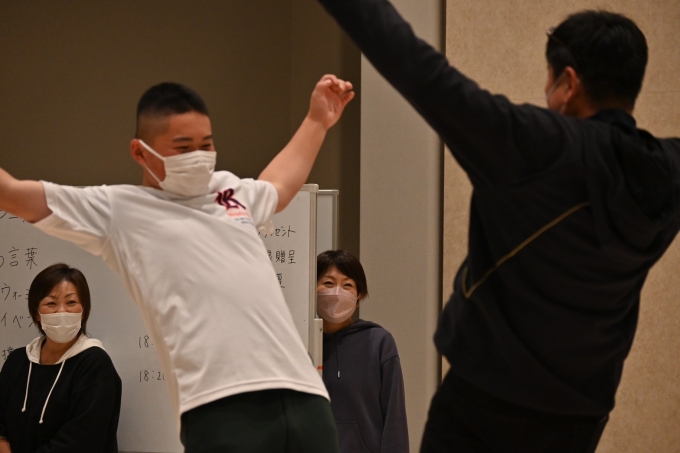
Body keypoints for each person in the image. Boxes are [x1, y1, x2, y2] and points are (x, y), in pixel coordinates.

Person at [315, 1, 680, 452]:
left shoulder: (534, 143)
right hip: (581, 418)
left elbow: (413, 62)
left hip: (482, 409)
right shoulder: (666, 172)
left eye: (549, 79)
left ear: (568, 83)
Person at [0, 75, 353, 452]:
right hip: (219, 403)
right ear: (140, 153)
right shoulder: (118, 210)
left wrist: (317, 121)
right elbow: (14, 194)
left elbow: (279, 187)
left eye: (206, 144)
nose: (198, 156)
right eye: (183, 147)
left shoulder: (228, 189)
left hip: (303, 393)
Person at [0, 263, 122, 453]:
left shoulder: (95, 364)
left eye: (71, 302)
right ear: (37, 313)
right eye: (51, 303)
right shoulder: (17, 361)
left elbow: (82, 442)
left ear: (83, 310)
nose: (62, 311)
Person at [317, 250, 408, 453]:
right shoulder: (299, 343)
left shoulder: (378, 342)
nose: (337, 292)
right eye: (328, 283)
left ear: (359, 296)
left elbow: (394, 417)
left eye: (347, 285)